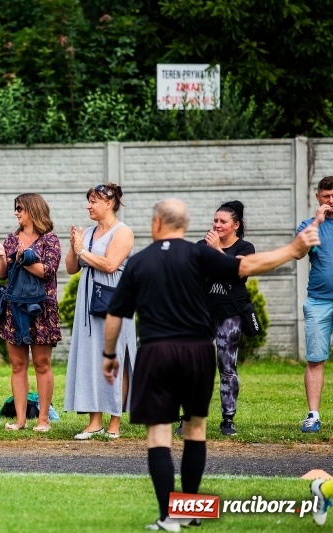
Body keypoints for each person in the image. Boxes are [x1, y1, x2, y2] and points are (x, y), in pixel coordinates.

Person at [102, 198, 319, 532]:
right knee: (195, 431)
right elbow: (247, 266)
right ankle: (188, 511)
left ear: (156, 223)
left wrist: (109, 356)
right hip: (197, 352)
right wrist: (292, 250)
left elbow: (115, 315)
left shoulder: (139, 262)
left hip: (156, 353)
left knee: (159, 436)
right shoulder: (200, 254)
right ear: (185, 225)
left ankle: (168, 517)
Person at [64, 183, 136, 439]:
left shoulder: (123, 232)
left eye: (93, 201)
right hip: (88, 301)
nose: (89, 206)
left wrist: (82, 250)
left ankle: (115, 421)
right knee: (91, 358)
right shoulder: (88, 232)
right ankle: (94, 421)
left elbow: (110, 265)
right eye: (89, 201)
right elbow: (72, 268)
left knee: (115, 356)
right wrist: (74, 246)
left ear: (109, 203)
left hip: (114, 299)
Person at [0, 193, 61, 432]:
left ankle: (43, 419)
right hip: (15, 308)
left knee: (42, 364)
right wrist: (2, 256)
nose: (16, 212)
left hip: (42, 308)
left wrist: (22, 258)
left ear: (33, 210)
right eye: (15, 208)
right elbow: (1, 274)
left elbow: (47, 271)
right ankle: (20, 420)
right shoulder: (12, 239)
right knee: (18, 365)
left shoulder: (50, 239)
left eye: (20, 208)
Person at [191, 200, 254, 437]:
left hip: (230, 314)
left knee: (227, 367)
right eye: (215, 220)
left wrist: (217, 250)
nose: (217, 225)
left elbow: (239, 272)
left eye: (223, 221)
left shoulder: (245, 247)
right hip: (202, 314)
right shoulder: (201, 245)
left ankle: (228, 419)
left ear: (236, 225)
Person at [297, 175, 333, 433]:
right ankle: (313, 415)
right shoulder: (308, 226)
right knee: (315, 360)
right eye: (327, 196)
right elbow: (298, 253)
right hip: (319, 301)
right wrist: (317, 222)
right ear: (318, 197)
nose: (331, 200)